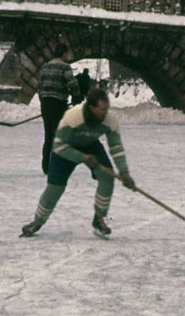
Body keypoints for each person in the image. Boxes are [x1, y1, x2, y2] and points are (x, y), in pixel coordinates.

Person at [20, 87, 136, 239]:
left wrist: (124, 172)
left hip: (91, 145)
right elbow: (59, 146)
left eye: (106, 109)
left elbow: (116, 147)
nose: (105, 113)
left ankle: (99, 219)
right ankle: (37, 221)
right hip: (66, 148)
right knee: (55, 187)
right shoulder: (73, 117)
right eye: (101, 109)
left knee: (107, 177)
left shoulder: (110, 120)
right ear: (91, 107)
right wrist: (83, 157)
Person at [37, 43, 82, 174]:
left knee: (48, 135)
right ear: (63, 53)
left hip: (45, 104)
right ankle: (56, 165)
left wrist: (44, 101)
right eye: (66, 53)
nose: (67, 56)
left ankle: (46, 166)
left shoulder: (45, 66)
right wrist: (77, 96)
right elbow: (72, 83)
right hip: (58, 103)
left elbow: (40, 86)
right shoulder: (64, 66)